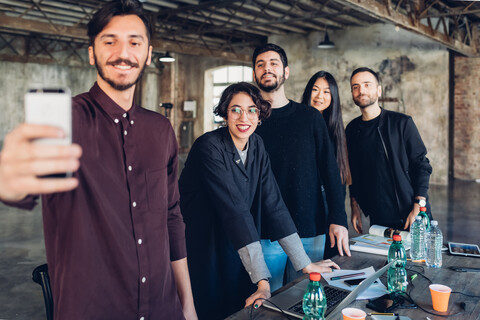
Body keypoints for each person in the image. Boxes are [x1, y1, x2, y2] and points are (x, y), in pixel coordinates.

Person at [0, 1, 197, 319]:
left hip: (163, 308)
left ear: (148, 53)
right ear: (92, 53)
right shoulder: (68, 121)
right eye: (110, 41)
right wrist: (7, 181)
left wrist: (187, 304)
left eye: (135, 42)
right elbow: (21, 183)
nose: (123, 52)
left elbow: (172, 218)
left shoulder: (160, 130)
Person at [179, 82, 339, 320]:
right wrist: (263, 281)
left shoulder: (256, 145)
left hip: (237, 243)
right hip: (205, 246)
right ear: (224, 112)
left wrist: (305, 263)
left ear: (260, 115)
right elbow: (235, 210)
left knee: (240, 306)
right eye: (235, 109)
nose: (244, 117)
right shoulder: (209, 146)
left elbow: (274, 204)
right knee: (211, 308)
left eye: (252, 110)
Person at [252, 43, 350, 290]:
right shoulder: (249, 121)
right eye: (260, 64)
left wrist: (338, 218)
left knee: (308, 296)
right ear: (254, 74)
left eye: (274, 63)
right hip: (266, 232)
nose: (267, 69)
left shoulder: (310, 117)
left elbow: (330, 172)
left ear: (286, 72)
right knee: (268, 298)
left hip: (309, 227)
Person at [346, 67, 432, 233]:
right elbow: (354, 172)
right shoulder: (352, 129)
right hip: (378, 218)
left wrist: (418, 206)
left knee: (415, 258)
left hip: (410, 213)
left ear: (378, 90)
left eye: (366, 84)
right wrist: (354, 206)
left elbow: (422, 165)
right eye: (355, 87)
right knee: (384, 259)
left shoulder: (402, 123)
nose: (361, 90)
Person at [301, 71, 352, 259]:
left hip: (327, 206)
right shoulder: (297, 124)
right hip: (303, 204)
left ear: (333, 98)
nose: (319, 96)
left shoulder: (336, 131)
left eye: (326, 92)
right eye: (315, 90)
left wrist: (338, 216)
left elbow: (340, 177)